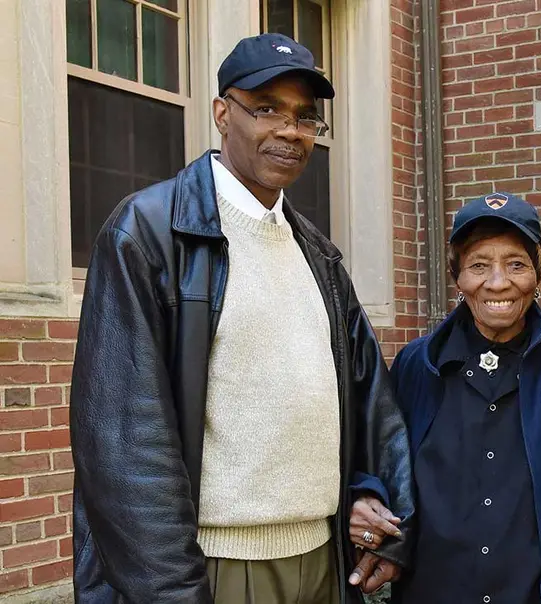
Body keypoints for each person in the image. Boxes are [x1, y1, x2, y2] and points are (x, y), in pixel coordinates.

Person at [69, 33, 414, 603]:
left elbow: (370, 401)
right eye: (267, 109)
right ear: (221, 114)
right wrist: (174, 591)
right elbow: (123, 445)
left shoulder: (318, 255)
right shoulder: (151, 233)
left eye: (306, 117)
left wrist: (383, 511)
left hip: (323, 559)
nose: (290, 130)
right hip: (216, 567)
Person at [348, 193, 541, 603]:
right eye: (479, 265)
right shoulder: (416, 364)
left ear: (539, 271)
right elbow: (378, 458)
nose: (498, 283)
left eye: (516, 264)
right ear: (456, 275)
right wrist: (368, 495)